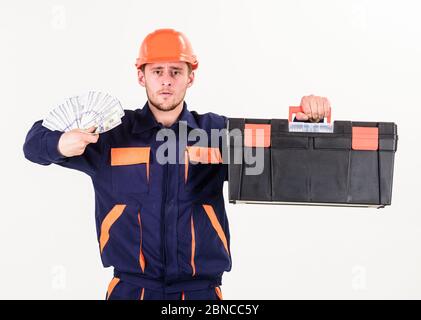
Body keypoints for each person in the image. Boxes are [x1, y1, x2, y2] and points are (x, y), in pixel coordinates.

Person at [23, 28, 331, 300]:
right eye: (157, 71)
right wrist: (60, 144)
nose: (166, 81)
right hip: (130, 290)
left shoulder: (215, 132)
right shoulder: (110, 134)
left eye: (176, 71)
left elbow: (277, 155)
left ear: (190, 77)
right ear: (141, 76)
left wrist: (306, 124)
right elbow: (33, 143)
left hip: (200, 292)